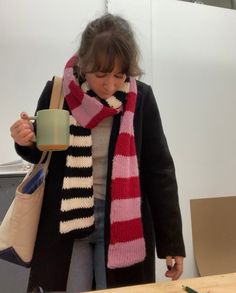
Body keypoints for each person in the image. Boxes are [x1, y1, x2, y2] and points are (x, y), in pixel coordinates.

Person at [10, 13, 185, 292]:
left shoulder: (142, 99)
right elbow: (42, 154)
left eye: (119, 75)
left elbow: (159, 171)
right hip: (67, 217)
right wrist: (25, 141)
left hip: (123, 222)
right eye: (101, 74)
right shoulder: (58, 92)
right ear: (83, 64)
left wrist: (172, 242)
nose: (110, 85)